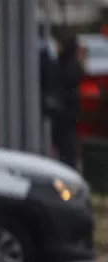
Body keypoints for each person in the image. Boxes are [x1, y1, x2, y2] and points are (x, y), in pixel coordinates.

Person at [53, 35, 85, 169]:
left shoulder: (65, 64)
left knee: (65, 141)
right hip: (67, 109)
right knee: (67, 140)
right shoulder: (72, 64)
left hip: (64, 109)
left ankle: (67, 163)